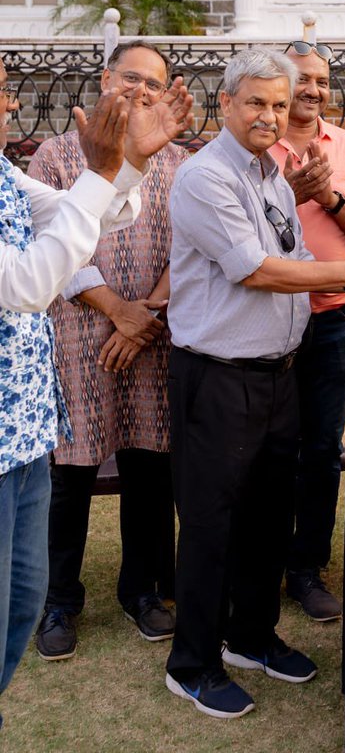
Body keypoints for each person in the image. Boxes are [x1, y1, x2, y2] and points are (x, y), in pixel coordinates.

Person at [165, 47, 345, 720]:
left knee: (270, 516)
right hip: (216, 376)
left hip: (277, 371)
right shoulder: (204, 177)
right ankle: (192, 663)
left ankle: (251, 635)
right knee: (213, 522)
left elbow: (297, 255)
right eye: (256, 103)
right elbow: (255, 269)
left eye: (279, 103)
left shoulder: (274, 176)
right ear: (226, 104)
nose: (270, 115)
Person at [0, 56, 192, 715]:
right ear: (104, 78)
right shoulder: (56, 153)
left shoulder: (172, 158)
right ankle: (62, 601)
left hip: (127, 351)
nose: (12, 106)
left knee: (148, 466)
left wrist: (146, 319)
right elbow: (44, 264)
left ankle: (140, 590)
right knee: (69, 478)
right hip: (70, 343)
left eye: (152, 81)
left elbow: (134, 223)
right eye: (127, 75)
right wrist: (117, 310)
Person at [270, 40, 345, 622]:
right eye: (301, 79)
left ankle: (307, 568)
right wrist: (289, 191)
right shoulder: (258, 139)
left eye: (321, 80)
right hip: (267, 315)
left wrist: (327, 195)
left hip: (334, 316)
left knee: (319, 448)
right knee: (270, 444)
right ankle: (262, 558)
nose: (312, 89)